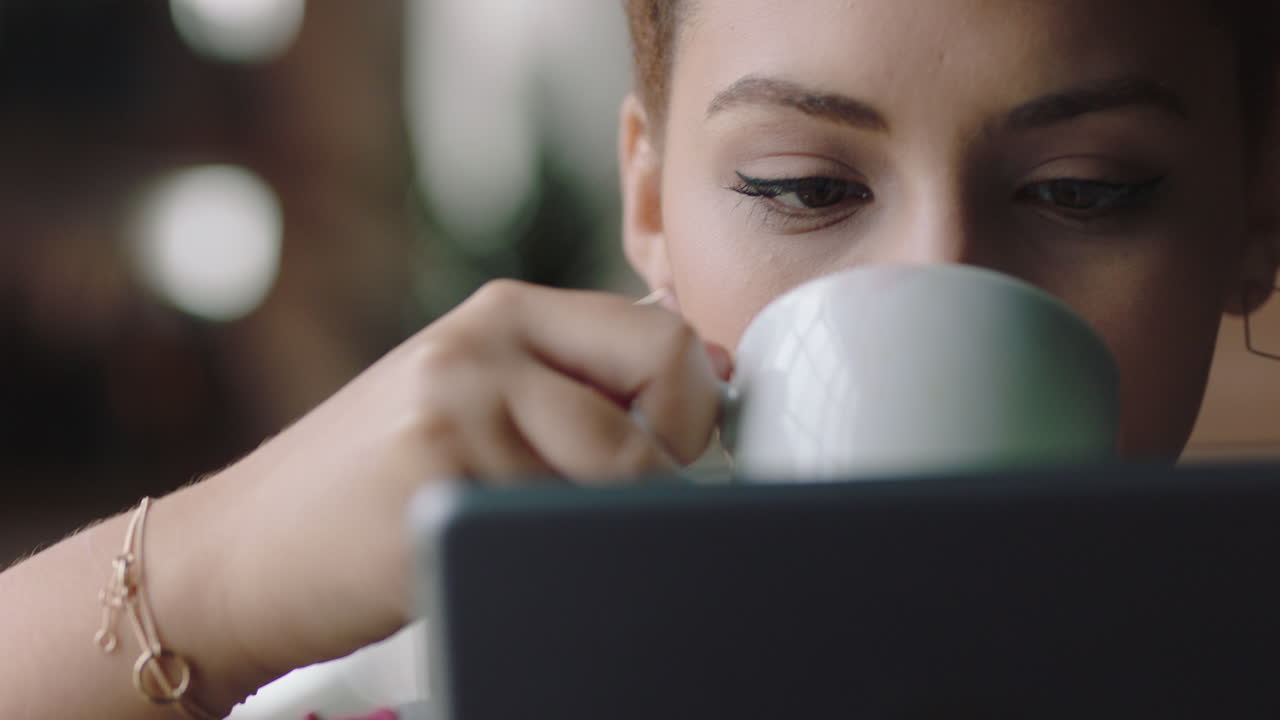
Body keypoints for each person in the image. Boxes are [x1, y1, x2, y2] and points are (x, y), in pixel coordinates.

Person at [1, 0, 1276, 717]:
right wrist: (210, 578)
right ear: (652, 208)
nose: (936, 281)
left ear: (1254, 220)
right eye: (802, 186)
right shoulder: (449, 681)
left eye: (1084, 190)